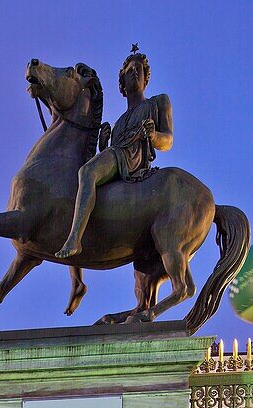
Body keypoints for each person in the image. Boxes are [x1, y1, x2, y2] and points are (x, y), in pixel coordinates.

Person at [55, 44, 174, 260]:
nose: (135, 72)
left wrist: (154, 135)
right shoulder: (119, 123)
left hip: (132, 160)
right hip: (118, 158)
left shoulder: (158, 102)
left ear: (146, 78)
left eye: (139, 69)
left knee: (86, 173)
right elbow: (109, 160)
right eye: (130, 71)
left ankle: (74, 238)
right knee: (88, 175)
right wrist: (103, 144)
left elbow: (168, 141)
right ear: (123, 84)